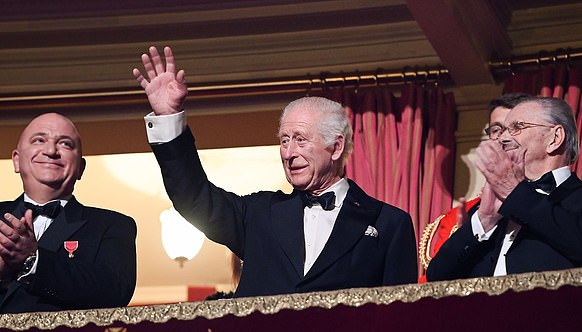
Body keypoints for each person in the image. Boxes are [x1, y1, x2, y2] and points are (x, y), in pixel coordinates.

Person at [133, 46, 418, 297]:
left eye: (300, 139)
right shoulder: (259, 214)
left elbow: (399, 321)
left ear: (335, 147)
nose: (288, 152)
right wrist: (169, 119)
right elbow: (193, 197)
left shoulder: (390, 225)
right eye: (284, 140)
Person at [426, 96, 582, 281]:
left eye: (517, 127)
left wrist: (516, 195)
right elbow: (437, 277)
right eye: (501, 130)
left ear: (554, 138)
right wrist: (484, 220)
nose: (503, 138)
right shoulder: (486, 209)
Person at [0, 113, 137, 313]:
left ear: (80, 168)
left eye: (65, 144)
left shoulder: (112, 225)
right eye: (39, 140)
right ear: (16, 161)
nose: (50, 151)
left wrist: (33, 260)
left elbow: (116, 292)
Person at [419, 93, 530, 281]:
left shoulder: (551, 202)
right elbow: (433, 283)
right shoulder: (457, 218)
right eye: (497, 129)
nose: (504, 137)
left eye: (515, 128)